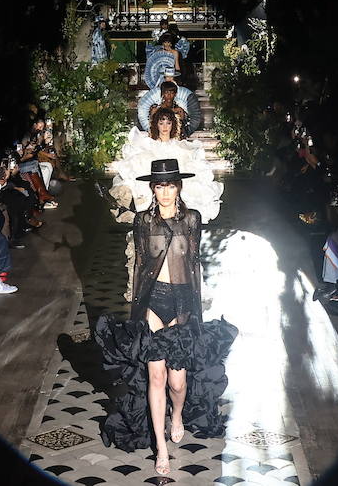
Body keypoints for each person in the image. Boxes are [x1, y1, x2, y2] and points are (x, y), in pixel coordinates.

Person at [94, 160, 237, 475]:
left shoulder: (192, 220)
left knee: (177, 381)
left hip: (183, 304)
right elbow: (140, 265)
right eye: (159, 185)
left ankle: (177, 415)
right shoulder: (144, 222)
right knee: (156, 377)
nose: (165, 192)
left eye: (171, 185)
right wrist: (135, 313)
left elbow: (195, 264)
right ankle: (161, 447)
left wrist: (197, 312)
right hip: (153, 304)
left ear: (179, 187)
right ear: (152, 188)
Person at [108, 108, 222, 225]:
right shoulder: (149, 146)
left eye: (168, 123)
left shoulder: (180, 147)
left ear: (173, 124)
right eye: (161, 123)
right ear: (156, 125)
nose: (165, 127)